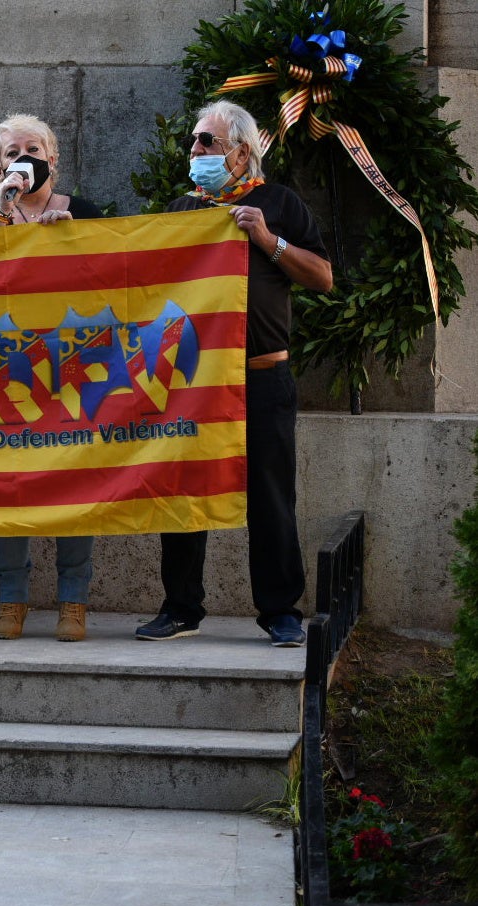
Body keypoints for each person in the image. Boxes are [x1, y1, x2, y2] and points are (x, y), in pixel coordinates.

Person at [135, 99, 333, 647]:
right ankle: (180, 607)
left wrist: (270, 241)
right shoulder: (181, 209)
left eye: (207, 142)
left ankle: (280, 612)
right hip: (191, 380)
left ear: (243, 153)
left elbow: (322, 278)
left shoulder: (279, 203)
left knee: (271, 496)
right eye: (194, 141)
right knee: (182, 490)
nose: (194, 151)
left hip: (262, 376)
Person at [0, 113, 104, 642]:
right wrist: (4, 210)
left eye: (33, 148)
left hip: (73, 365)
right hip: (14, 371)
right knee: (14, 488)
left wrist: (75, 242)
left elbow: (114, 284)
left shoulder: (84, 212)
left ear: (53, 159)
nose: (22, 157)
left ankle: (73, 601)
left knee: (76, 484)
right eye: (11, 152)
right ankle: (12, 600)